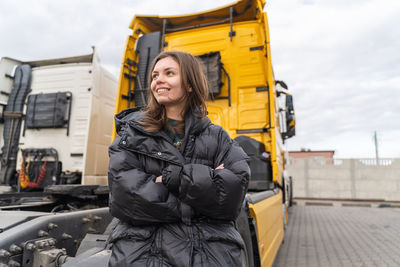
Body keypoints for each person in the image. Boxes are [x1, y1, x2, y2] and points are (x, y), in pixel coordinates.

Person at [107, 50, 250, 266]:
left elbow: (231, 196)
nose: (158, 80)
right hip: (143, 254)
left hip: (208, 254)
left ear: (190, 83)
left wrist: (173, 178)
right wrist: (205, 186)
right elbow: (126, 198)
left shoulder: (218, 136)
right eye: (155, 76)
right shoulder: (130, 135)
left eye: (169, 73)